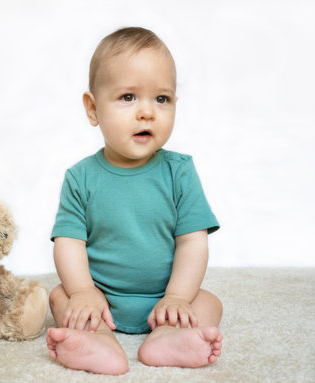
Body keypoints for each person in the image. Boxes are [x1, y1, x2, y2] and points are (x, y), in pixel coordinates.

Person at [45, 26, 223, 375]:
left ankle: (167, 337)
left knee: (209, 302)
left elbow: (192, 242)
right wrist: (82, 291)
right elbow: (69, 241)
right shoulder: (80, 177)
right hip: (102, 300)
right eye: (128, 97)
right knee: (59, 296)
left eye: (162, 99)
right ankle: (97, 341)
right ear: (93, 109)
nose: (147, 112)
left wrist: (176, 298)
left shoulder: (179, 171)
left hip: (166, 299)